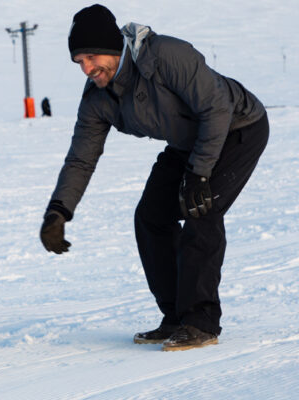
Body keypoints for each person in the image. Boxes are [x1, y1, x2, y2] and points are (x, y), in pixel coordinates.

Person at [40, 4, 268, 352]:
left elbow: (216, 108)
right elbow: (81, 159)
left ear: (113, 47)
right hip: (187, 142)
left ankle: (200, 321)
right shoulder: (97, 99)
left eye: (90, 56)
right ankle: (176, 316)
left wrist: (199, 174)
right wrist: (58, 211)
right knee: (150, 217)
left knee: (201, 210)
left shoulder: (165, 55)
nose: (86, 69)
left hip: (237, 128)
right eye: (79, 62)